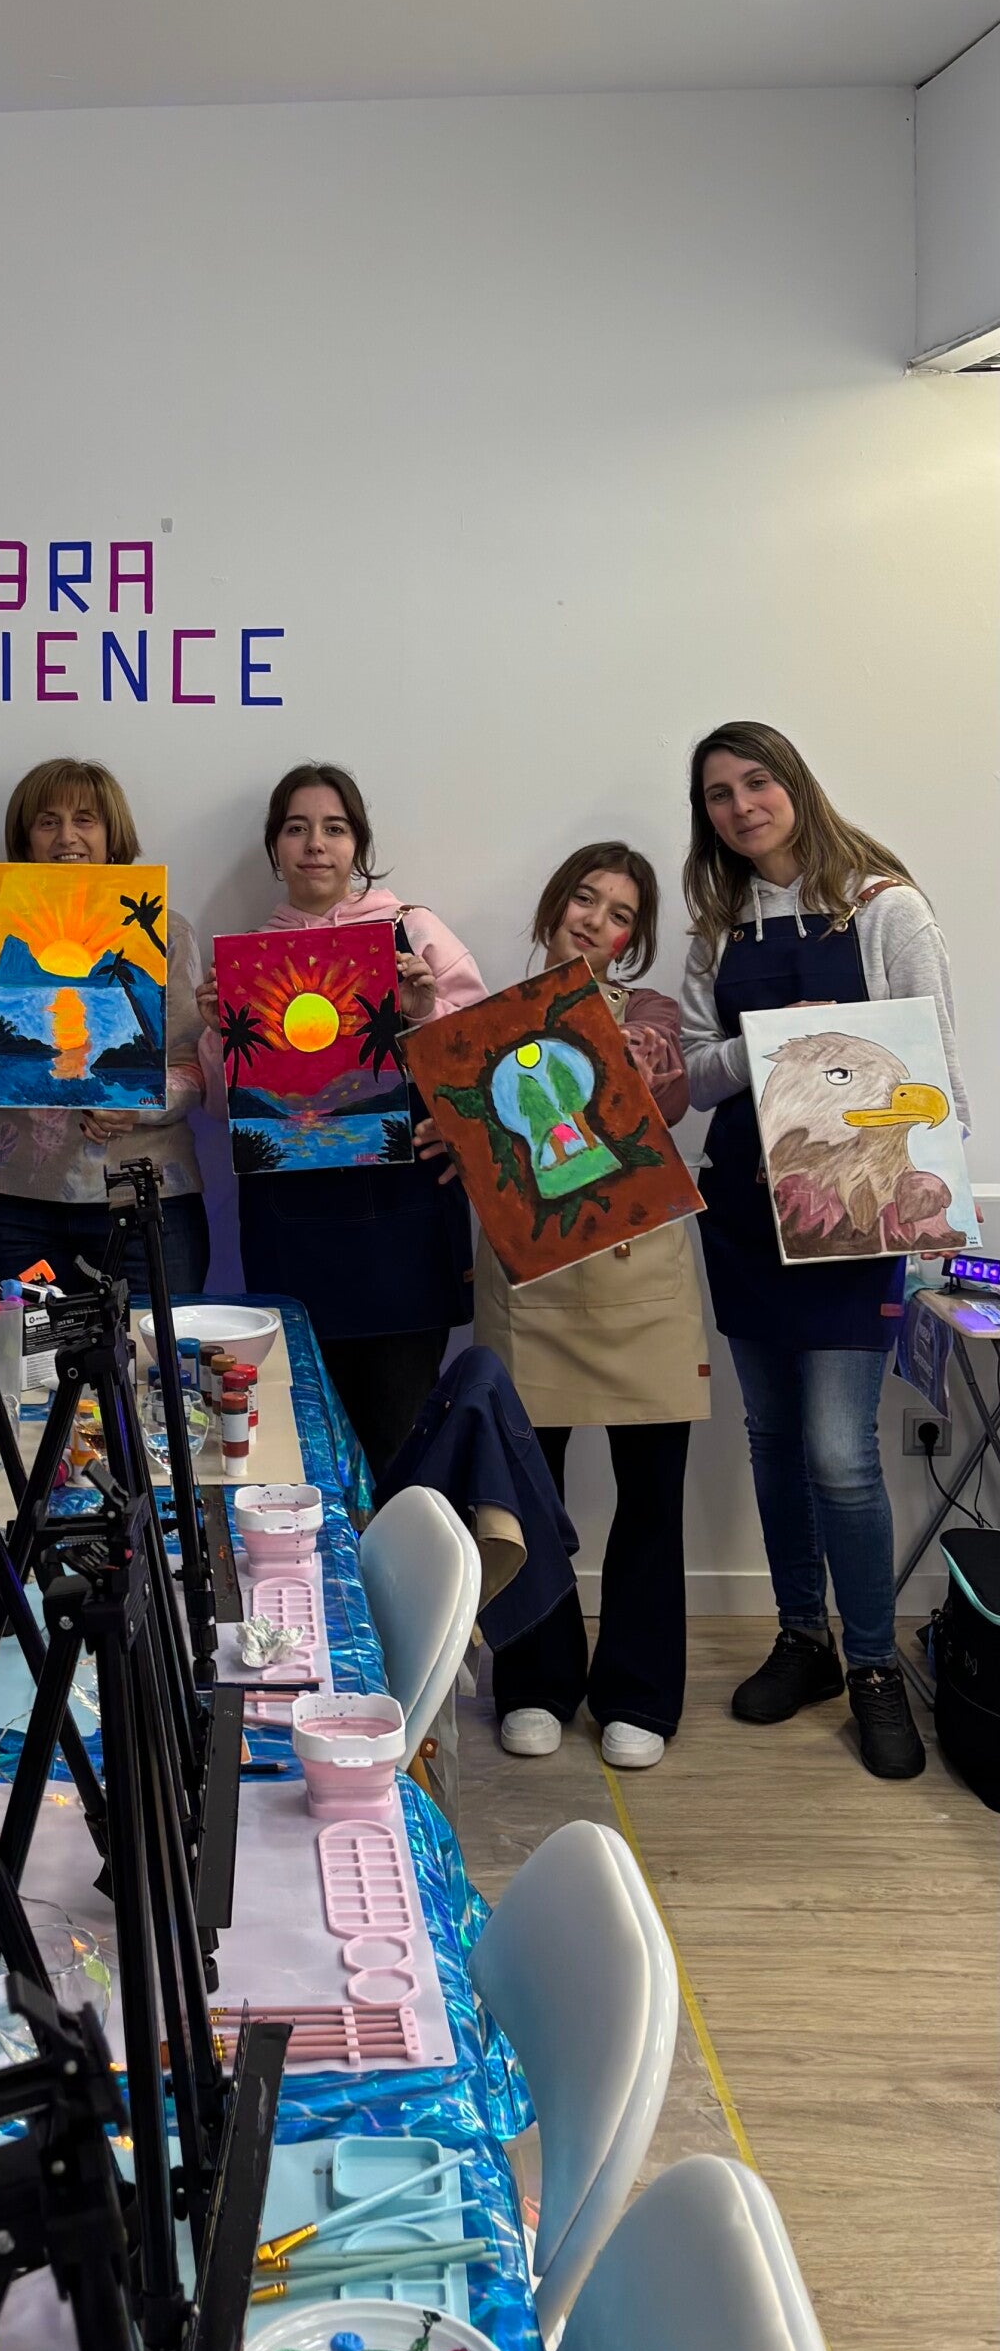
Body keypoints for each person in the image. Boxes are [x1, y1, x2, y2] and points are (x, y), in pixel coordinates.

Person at [680, 720, 965, 1782]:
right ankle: (805, 1637)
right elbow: (695, 1076)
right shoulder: (719, 929)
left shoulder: (886, 906)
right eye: (718, 794)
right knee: (771, 1436)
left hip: (852, 1215)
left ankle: (875, 1661)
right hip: (745, 1212)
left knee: (841, 1452)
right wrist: (768, 1047)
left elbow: (934, 1074)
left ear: (795, 784)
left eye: (757, 782)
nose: (741, 806)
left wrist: (842, 1045)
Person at [471, 844, 710, 1770]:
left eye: (619, 915)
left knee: (651, 1494)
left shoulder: (651, 1015)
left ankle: (639, 1691)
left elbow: (672, 1094)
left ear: (631, 940)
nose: (596, 921)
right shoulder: (487, 1023)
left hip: (640, 1284)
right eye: (584, 899)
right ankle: (536, 1681)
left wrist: (649, 1060)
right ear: (552, 907)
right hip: (531, 1289)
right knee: (529, 1494)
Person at [201, 765, 486, 1479]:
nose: (315, 844)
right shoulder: (247, 956)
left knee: (399, 1440)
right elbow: (222, 1109)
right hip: (291, 1226)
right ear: (275, 846)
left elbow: (484, 1057)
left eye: (334, 828)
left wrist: (423, 1010)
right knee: (307, 1448)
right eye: (296, 828)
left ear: (358, 842)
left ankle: (406, 1557)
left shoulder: (411, 929)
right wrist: (216, 1032)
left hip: (403, 1224)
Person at [0, 758, 210, 1300]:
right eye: (47, 821)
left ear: (112, 835)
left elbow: (194, 1069)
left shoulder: (167, 933)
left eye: (85, 820)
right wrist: (14, 944)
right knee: (19, 1354)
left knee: (151, 1351)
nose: (66, 836)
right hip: (10, 1203)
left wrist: (138, 1106)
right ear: (25, 839)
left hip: (147, 1196)